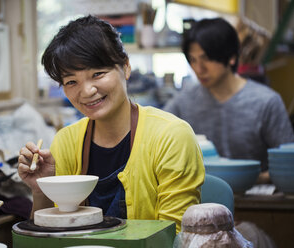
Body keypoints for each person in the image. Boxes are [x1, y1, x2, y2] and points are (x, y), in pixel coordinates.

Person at [18, 15, 204, 233]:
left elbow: (176, 236)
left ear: (125, 67)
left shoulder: (171, 136)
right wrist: (42, 190)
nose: (87, 91)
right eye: (71, 82)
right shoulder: (65, 142)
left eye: (98, 74)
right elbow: (51, 237)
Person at [163, 17, 294, 180]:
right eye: (193, 60)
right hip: (199, 199)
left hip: (256, 198)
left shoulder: (266, 102)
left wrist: (253, 178)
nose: (199, 69)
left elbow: (290, 164)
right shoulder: (182, 103)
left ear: (231, 57)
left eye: (207, 58)